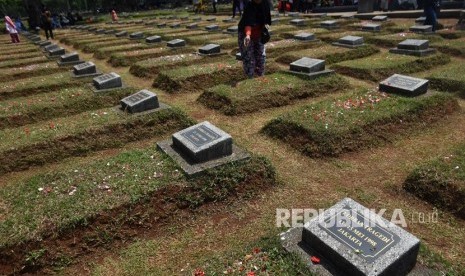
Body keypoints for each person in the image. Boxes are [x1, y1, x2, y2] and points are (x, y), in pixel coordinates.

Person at [238, 0, 271, 78]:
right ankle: (250, 78)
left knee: (261, 56)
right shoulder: (249, 5)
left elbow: (268, 20)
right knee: (249, 58)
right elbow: (247, 23)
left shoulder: (266, 4)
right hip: (246, 35)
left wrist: (266, 26)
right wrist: (248, 35)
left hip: (259, 34)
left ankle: (260, 76)